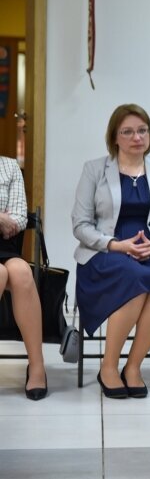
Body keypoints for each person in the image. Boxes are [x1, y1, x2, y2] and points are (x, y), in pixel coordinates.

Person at [72, 103, 150, 399]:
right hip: (105, 252)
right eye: (128, 131)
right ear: (115, 138)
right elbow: (80, 225)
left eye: (142, 130)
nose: (137, 137)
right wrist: (117, 245)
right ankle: (109, 366)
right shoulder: (95, 169)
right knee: (133, 277)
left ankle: (133, 367)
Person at [0, 156, 46, 400]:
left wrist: (7, 220)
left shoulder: (9, 166)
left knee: (21, 272)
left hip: (5, 246)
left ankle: (37, 366)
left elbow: (18, 218)